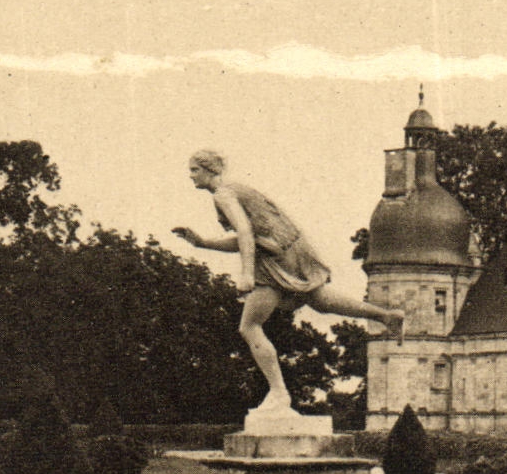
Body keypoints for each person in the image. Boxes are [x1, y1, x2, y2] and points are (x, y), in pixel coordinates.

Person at [172, 149, 405, 414]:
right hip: (291, 250)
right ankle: (387, 316)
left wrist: (247, 274)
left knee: (249, 327)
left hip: (273, 261)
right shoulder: (236, 189)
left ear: (209, 170)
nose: (191, 176)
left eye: (194, 170)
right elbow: (248, 238)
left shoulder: (223, 194)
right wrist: (203, 243)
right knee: (319, 299)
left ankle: (279, 394)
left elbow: (245, 233)